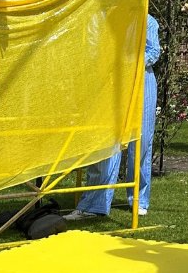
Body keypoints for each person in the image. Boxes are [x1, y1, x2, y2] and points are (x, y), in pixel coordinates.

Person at [66, 13, 160, 219]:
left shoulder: (147, 20)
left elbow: (154, 51)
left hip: (142, 83)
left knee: (142, 142)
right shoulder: (104, 19)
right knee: (107, 142)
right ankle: (95, 203)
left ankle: (138, 199)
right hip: (111, 84)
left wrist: (126, 61)